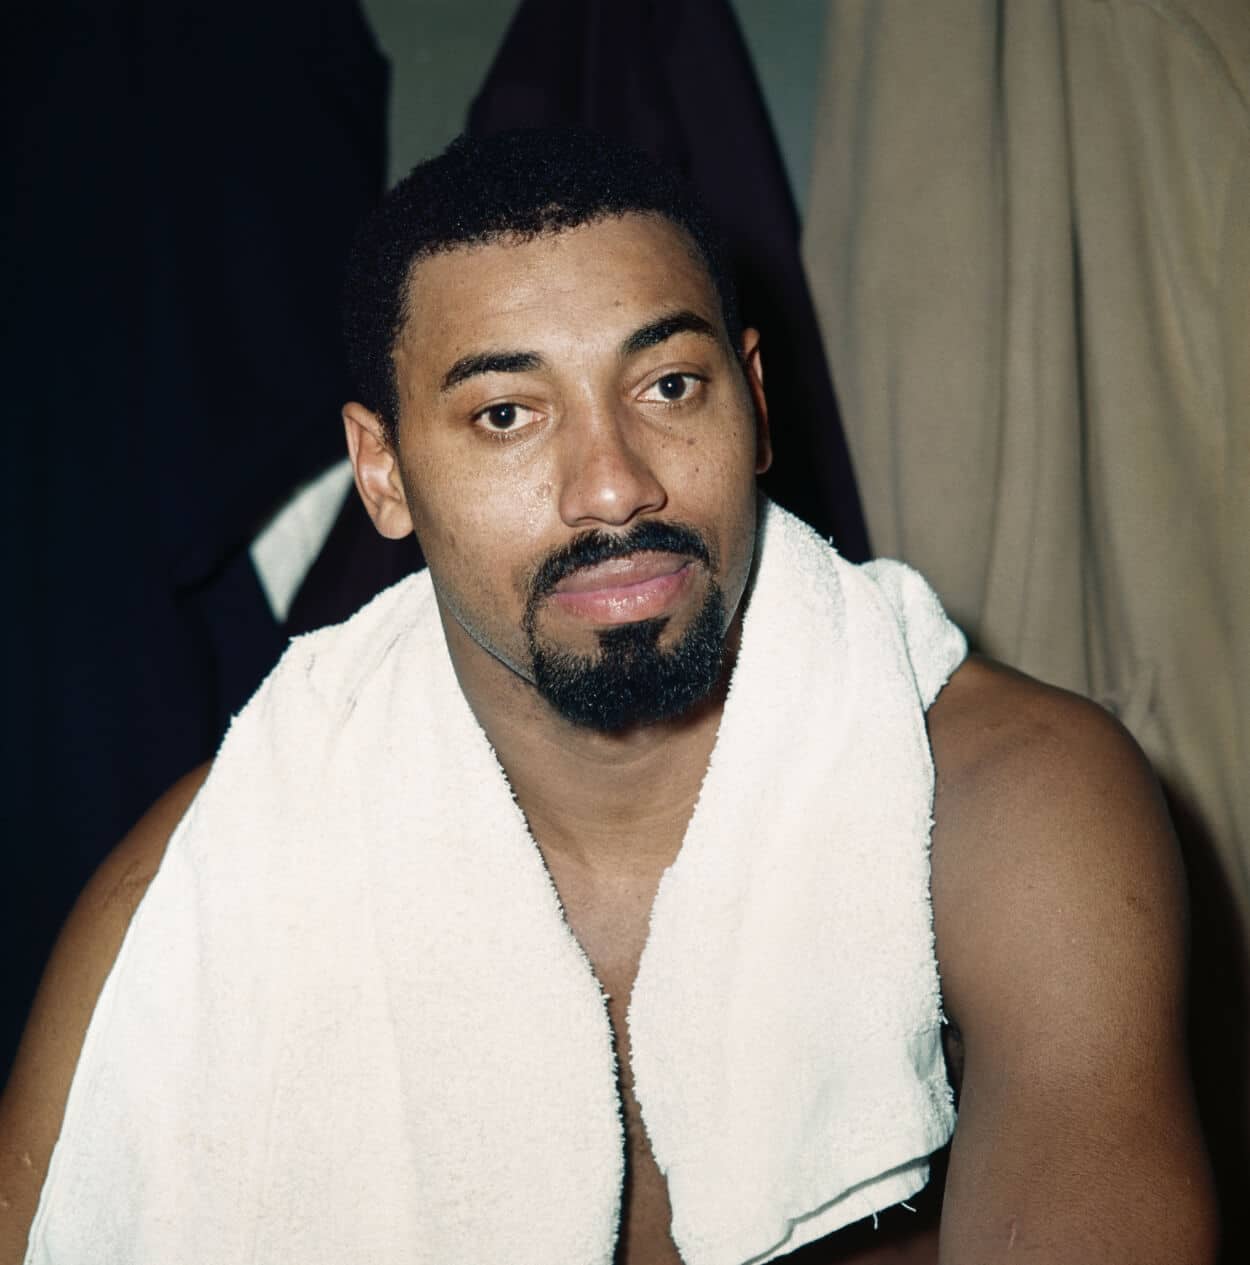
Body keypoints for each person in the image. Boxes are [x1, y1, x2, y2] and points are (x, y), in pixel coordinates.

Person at [0, 130, 1217, 1265]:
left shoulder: (1009, 810)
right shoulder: (194, 894)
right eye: (506, 414)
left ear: (752, 402)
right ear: (384, 471)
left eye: (668, 387)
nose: (613, 487)